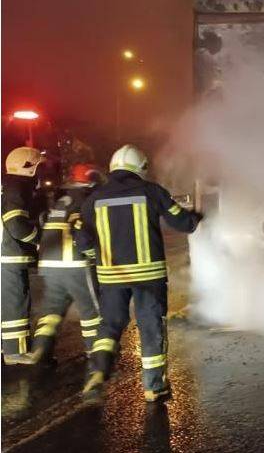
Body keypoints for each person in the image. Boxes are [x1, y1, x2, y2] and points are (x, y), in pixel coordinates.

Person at [78, 145, 202, 403]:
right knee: (151, 326)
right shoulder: (151, 191)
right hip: (148, 277)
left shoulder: (93, 198)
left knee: (109, 326)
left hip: (112, 277)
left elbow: (83, 240)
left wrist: (97, 261)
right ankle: (154, 387)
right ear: (141, 168)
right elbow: (183, 222)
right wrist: (198, 217)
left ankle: (99, 370)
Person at [23, 164, 102, 365]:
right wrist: (93, 254)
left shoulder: (61, 201)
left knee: (51, 310)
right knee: (90, 309)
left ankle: (41, 349)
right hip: (75, 264)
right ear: (91, 182)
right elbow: (82, 231)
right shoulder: (86, 201)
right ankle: (96, 353)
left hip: (49, 265)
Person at [1, 147, 44, 363]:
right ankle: (14, 352)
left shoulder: (6, 186)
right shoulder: (17, 188)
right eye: (38, 167)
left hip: (4, 254)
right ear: (29, 169)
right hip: (8, 256)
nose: (40, 173)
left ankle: (6, 349)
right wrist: (38, 239)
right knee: (15, 301)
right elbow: (16, 225)